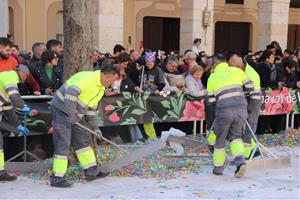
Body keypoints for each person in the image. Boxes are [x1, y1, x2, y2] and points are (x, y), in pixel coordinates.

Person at [49, 64, 120, 188]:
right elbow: (70, 94)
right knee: (63, 142)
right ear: (107, 76)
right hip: (61, 110)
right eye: (113, 80)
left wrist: (95, 128)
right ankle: (57, 177)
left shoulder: (100, 88)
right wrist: (71, 116)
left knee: (82, 140)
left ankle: (91, 171)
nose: (113, 83)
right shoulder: (87, 79)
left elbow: (91, 110)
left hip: (75, 114)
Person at [206, 54, 254, 178]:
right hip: (241, 108)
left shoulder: (212, 77)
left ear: (214, 64)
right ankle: (240, 162)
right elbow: (250, 87)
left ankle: (218, 168)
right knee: (236, 137)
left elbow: (210, 101)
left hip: (224, 110)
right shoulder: (236, 71)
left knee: (220, 139)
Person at [0, 68, 35, 181]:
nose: (25, 80)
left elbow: (8, 108)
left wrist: (17, 125)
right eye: (27, 77)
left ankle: (0, 172)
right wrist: (22, 106)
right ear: (23, 73)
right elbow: (15, 96)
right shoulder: (10, 77)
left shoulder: (5, 82)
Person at [228, 54, 262, 159]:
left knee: (250, 124)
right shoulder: (240, 68)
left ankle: (247, 153)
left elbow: (249, 91)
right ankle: (253, 149)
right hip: (244, 98)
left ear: (238, 67)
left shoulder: (251, 74)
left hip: (253, 99)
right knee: (240, 123)